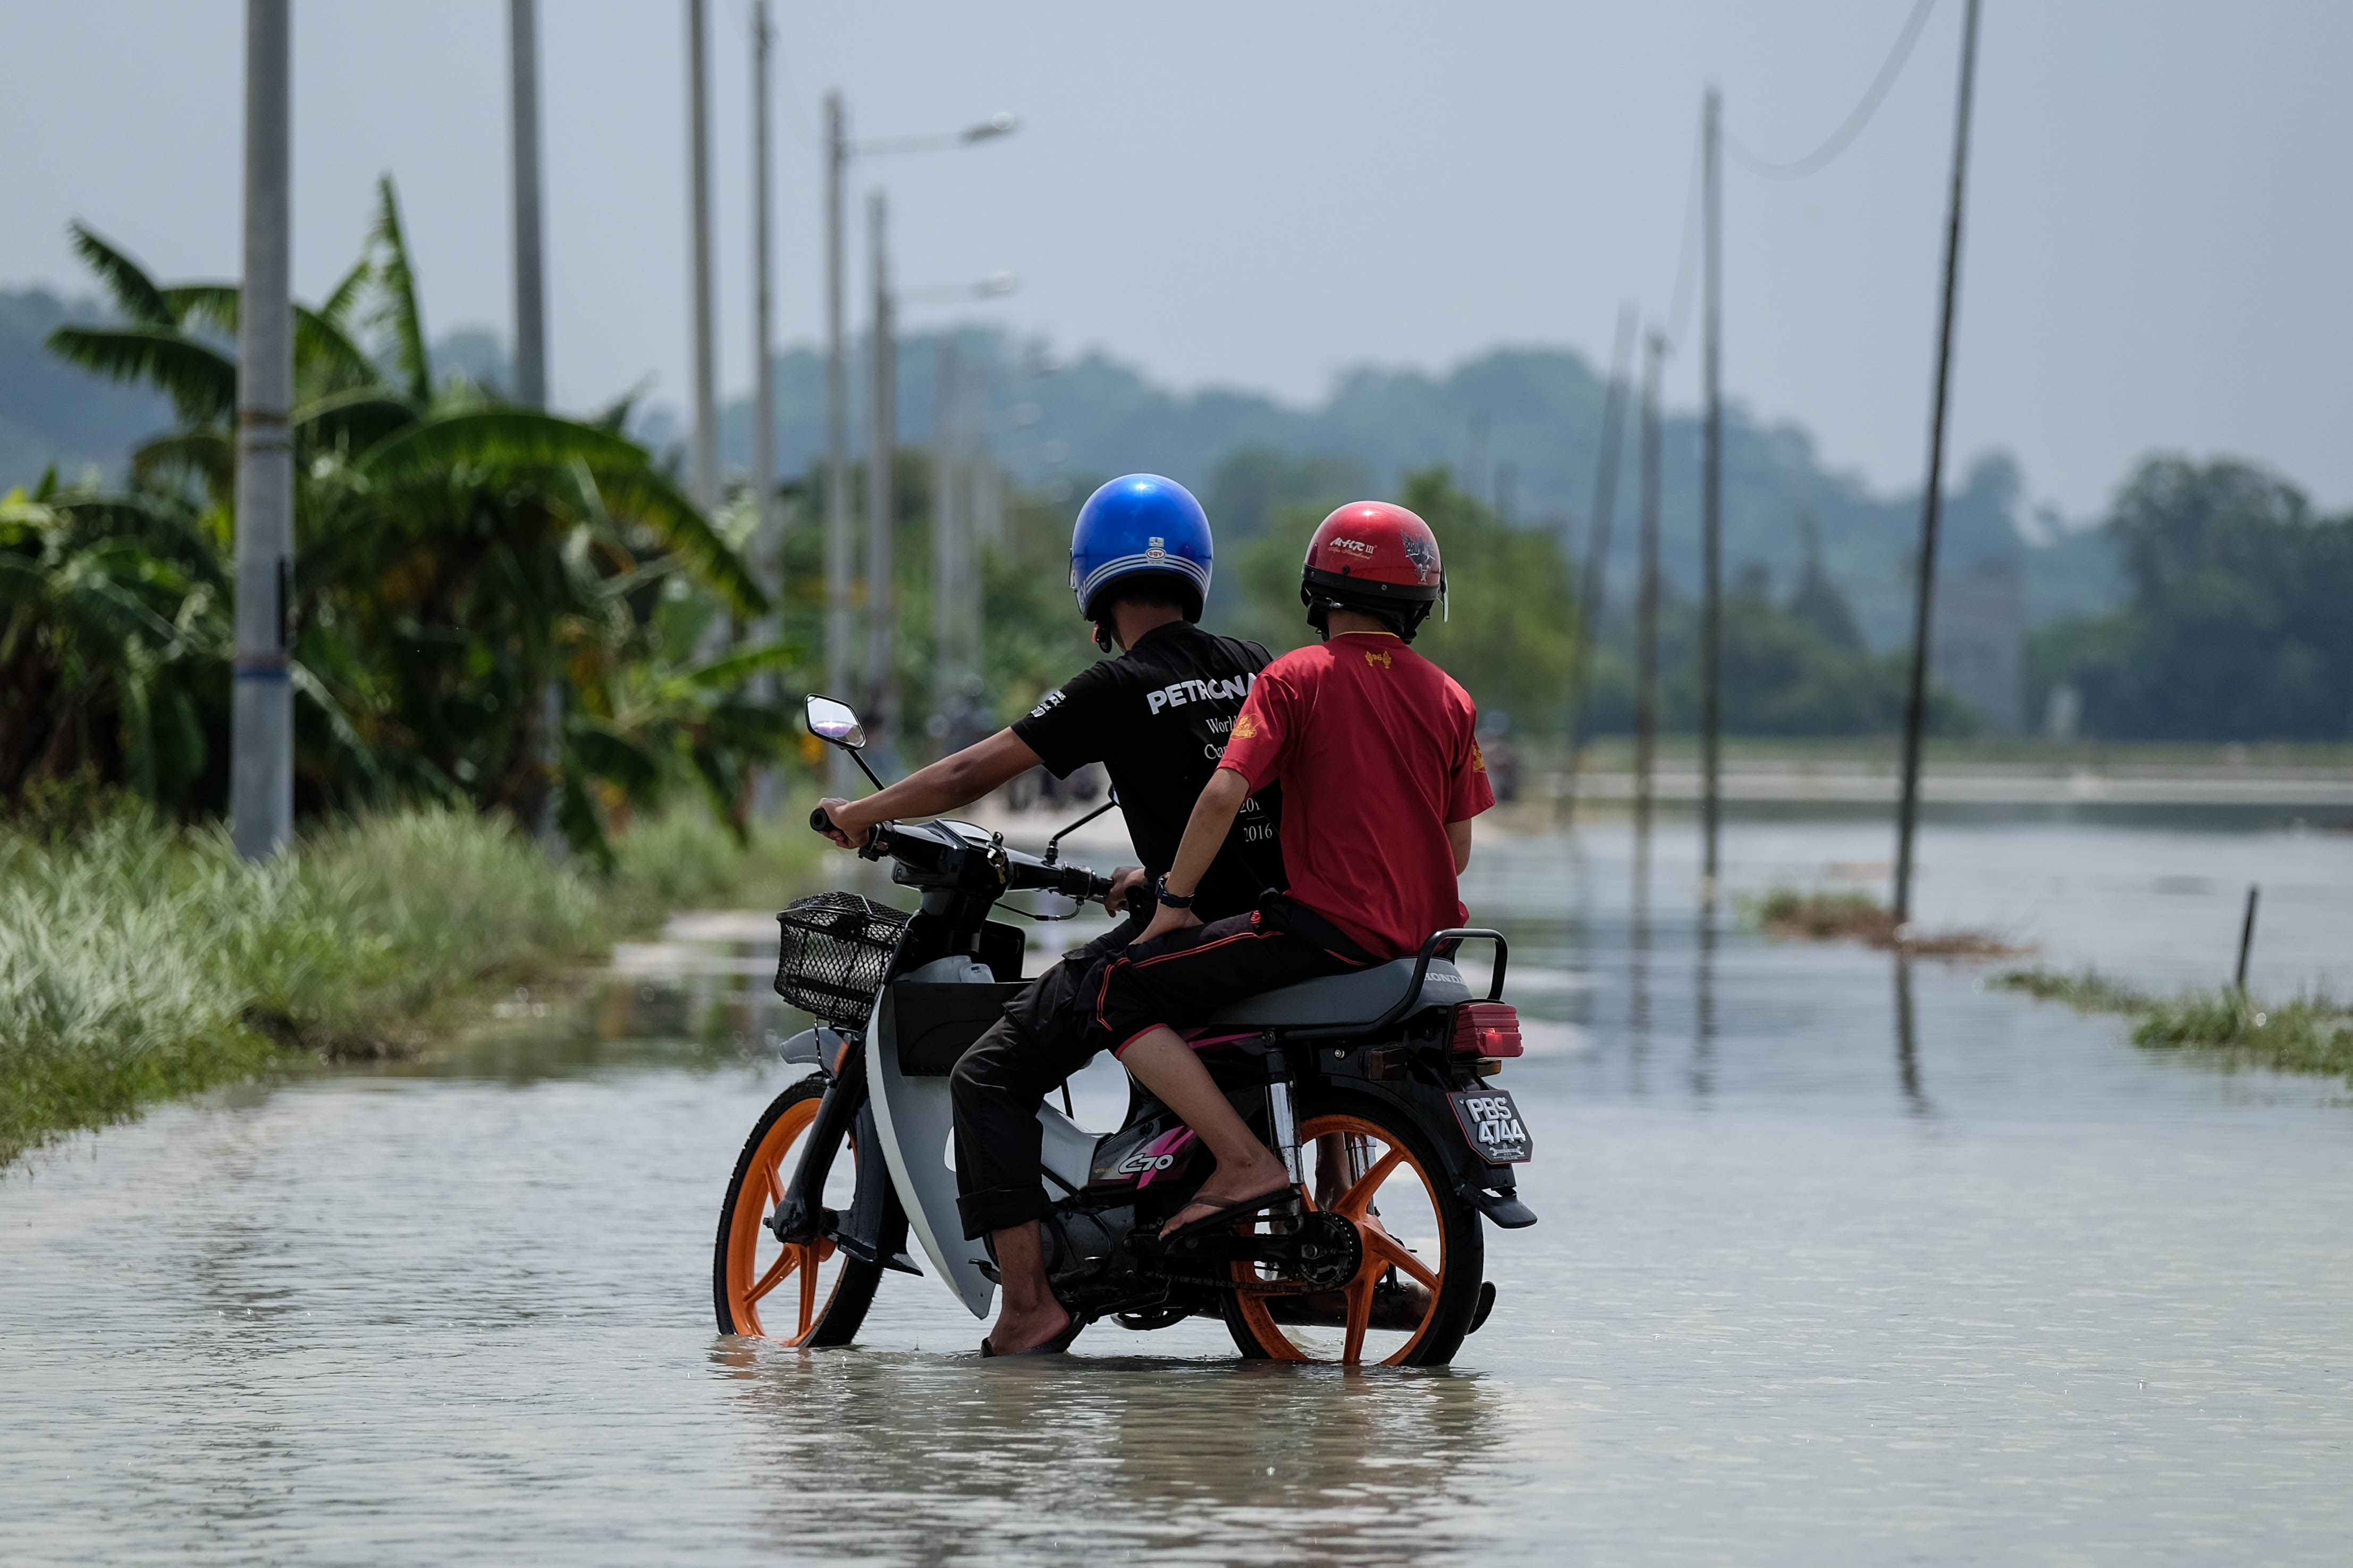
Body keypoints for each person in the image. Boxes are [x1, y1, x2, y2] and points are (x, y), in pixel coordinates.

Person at [809, 473, 1286, 1356]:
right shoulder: (1256, 664)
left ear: (1094, 585)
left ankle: (1029, 1305)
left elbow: (965, 777)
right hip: (1270, 923)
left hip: (1194, 932)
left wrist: (861, 814)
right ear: (1197, 573)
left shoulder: (1117, 683)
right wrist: (1150, 876)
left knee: (990, 1072)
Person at [1091, 499, 1495, 1238]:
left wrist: (1175, 899)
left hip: (1327, 933)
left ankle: (1242, 1162)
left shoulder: (1293, 679)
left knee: (1120, 991)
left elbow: (1222, 794)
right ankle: (1344, 1197)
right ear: (1422, 603)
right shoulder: (1453, 698)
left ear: (1318, 592)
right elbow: (1455, 849)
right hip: (1420, 949)